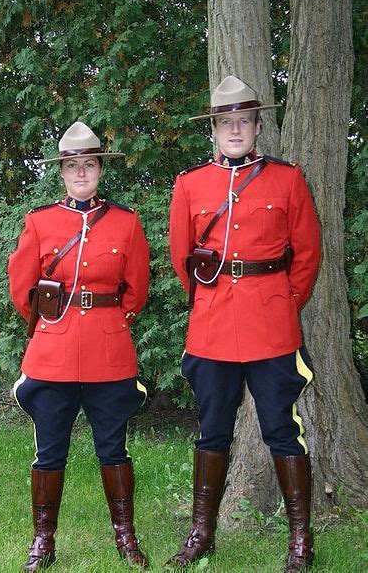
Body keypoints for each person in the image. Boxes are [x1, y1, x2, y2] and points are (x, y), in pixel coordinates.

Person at [167, 76, 321, 572]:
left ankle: (300, 539)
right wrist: (208, 301)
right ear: (213, 128)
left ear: (257, 125)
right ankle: (202, 532)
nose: (235, 129)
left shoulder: (287, 179)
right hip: (212, 325)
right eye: (225, 121)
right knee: (212, 431)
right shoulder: (190, 185)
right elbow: (181, 258)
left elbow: (308, 254)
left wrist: (281, 300)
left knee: (281, 428)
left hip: (272, 324)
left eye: (244, 120)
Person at [9, 121, 150, 570]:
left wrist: (112, 322)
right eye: (73, 167)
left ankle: (125, 538)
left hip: (109, 353)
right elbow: (21, 288)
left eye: (89, 165)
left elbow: (137, 290)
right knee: (49, 451)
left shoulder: (126, 223)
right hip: (53, 355)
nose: (82, 174)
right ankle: (43, 541)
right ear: (63, 173)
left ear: (99, 170)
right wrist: (51, 323)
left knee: (114, 449)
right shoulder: (40, 221)